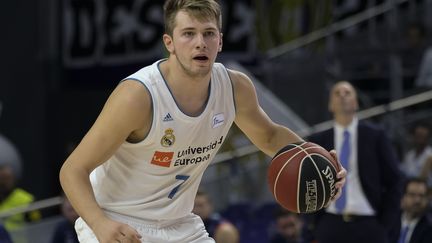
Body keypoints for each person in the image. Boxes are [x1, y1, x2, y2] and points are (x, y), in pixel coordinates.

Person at [59, 1, 346, 242]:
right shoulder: (138, 96)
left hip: (180, 224)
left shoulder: (234, 88)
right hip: (117, 221)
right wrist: (99, 224)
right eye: (188, 34)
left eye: (209, 33)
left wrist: (319, 164)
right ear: (169, 43)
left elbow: (270, 137)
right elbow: (73, 169)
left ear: (220, 41)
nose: (200, 43)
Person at [302, 81, 403, 243]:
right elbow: (306, 183)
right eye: (337, 93)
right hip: (329, 221)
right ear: (330, 105)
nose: (342, 96)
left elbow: (395, 180)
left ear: (356, 103)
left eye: (347, 92)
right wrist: (312, 223)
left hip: (369, 222)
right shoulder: (318, 139)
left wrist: (385, 224)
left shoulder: (375, 136)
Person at [0, 164, 41, 231]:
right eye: (2, 179)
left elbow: (37, 224)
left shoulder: (26, 199)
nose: (4, 182)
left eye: (7, 178)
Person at [398, 177, 432, 243]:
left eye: (421, 196)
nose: (417, 200)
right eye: (412, 195)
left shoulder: (429, 227)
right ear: (403, 197)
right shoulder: (391, 220)